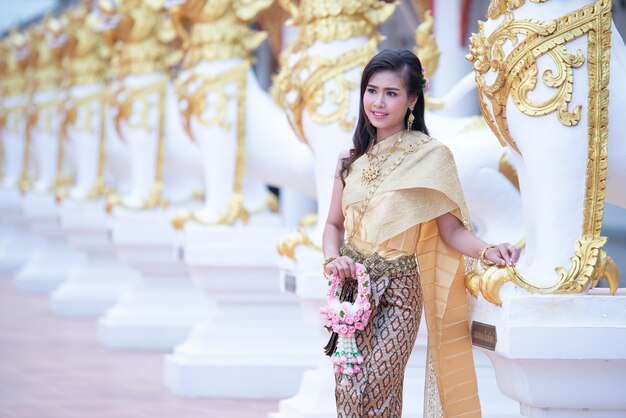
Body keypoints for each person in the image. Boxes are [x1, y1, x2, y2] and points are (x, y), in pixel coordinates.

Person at [322, 48, 521, 417]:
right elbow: (333, 226)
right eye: (372, 90)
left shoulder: (432, 157)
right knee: (348, 389)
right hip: (350, 288)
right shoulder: (350, 160)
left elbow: (451, 231)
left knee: (378, 388)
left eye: (391, 93)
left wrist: (486, 250)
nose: (378, 102)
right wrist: (333, 260)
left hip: (400, 292)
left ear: (412, 98)